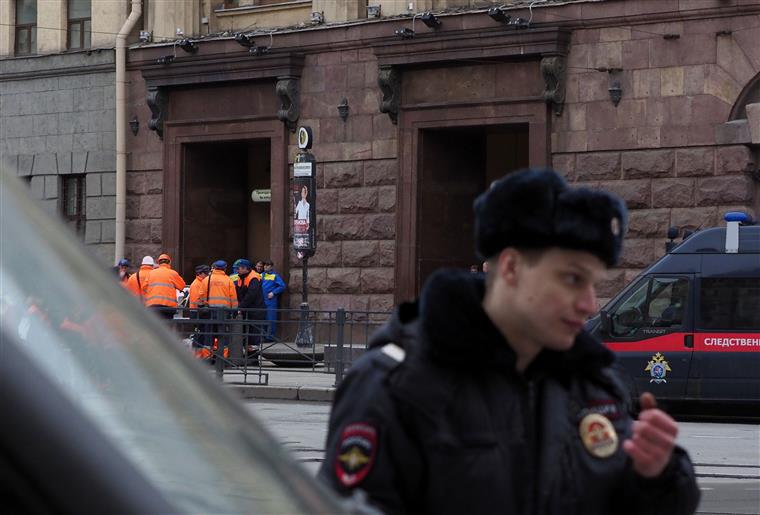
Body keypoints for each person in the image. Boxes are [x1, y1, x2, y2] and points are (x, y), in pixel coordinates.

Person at [319, 168, 700, 515]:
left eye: (594, 284)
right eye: (572, 279)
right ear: (512, 267)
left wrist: (658, 478)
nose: (590, 304)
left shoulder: (590, 386)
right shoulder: (396, 386)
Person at [200, 260, 238, 354]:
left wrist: (206, 303)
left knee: (209, 334)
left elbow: (201, 295)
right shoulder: (228, 280)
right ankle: (223, 357)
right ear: (224, 268)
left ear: (215, 268)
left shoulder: (207, 279)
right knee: (224, 334)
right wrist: (235, 310)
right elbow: (233, 297)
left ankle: (207, 356)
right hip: (224, 311)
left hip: (210, 310)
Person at [234, 258, 266, 351]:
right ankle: (248, 357)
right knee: (247, 335)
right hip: (248, 310)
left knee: (253, 336)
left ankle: (253, 358)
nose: (237, 270)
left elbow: (251, 295)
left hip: (255, 311)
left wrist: (240, 307)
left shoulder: (254, 278)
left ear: (246, 268)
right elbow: (240, 294)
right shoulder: (242, 278)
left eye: (239, 268)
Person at [144, 253, 186, 319]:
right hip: (168, 307)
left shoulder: (151, 273)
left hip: (153, 306)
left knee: (154, 327)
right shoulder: (173, 273)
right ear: (169, 262)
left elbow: (144, 288)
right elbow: (182, 286)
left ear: (158, 263)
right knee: (166, 326)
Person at [261, 260, 286, 341]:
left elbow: (282, 286)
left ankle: (270, 338)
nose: (265, 266)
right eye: (264, 265)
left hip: (270, 301)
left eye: (267, 265)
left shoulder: (274, 276)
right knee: (262, 319)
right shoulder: (260, 275)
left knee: (271, 319)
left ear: (271, 267)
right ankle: (263, 336)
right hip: (262, 300)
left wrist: (273, 292)